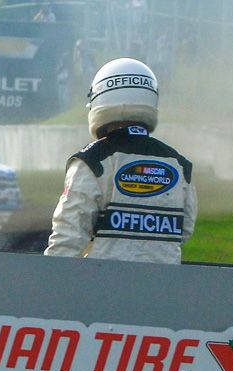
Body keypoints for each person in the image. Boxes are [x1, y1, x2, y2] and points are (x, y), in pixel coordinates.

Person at [45, 58, 195, 263]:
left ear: (99, 99)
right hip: (164, 287)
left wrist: (51, 281)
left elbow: (68, 234)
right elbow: (184, 230)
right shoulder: (178, 163)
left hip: (105, 285)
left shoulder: (92, 160)